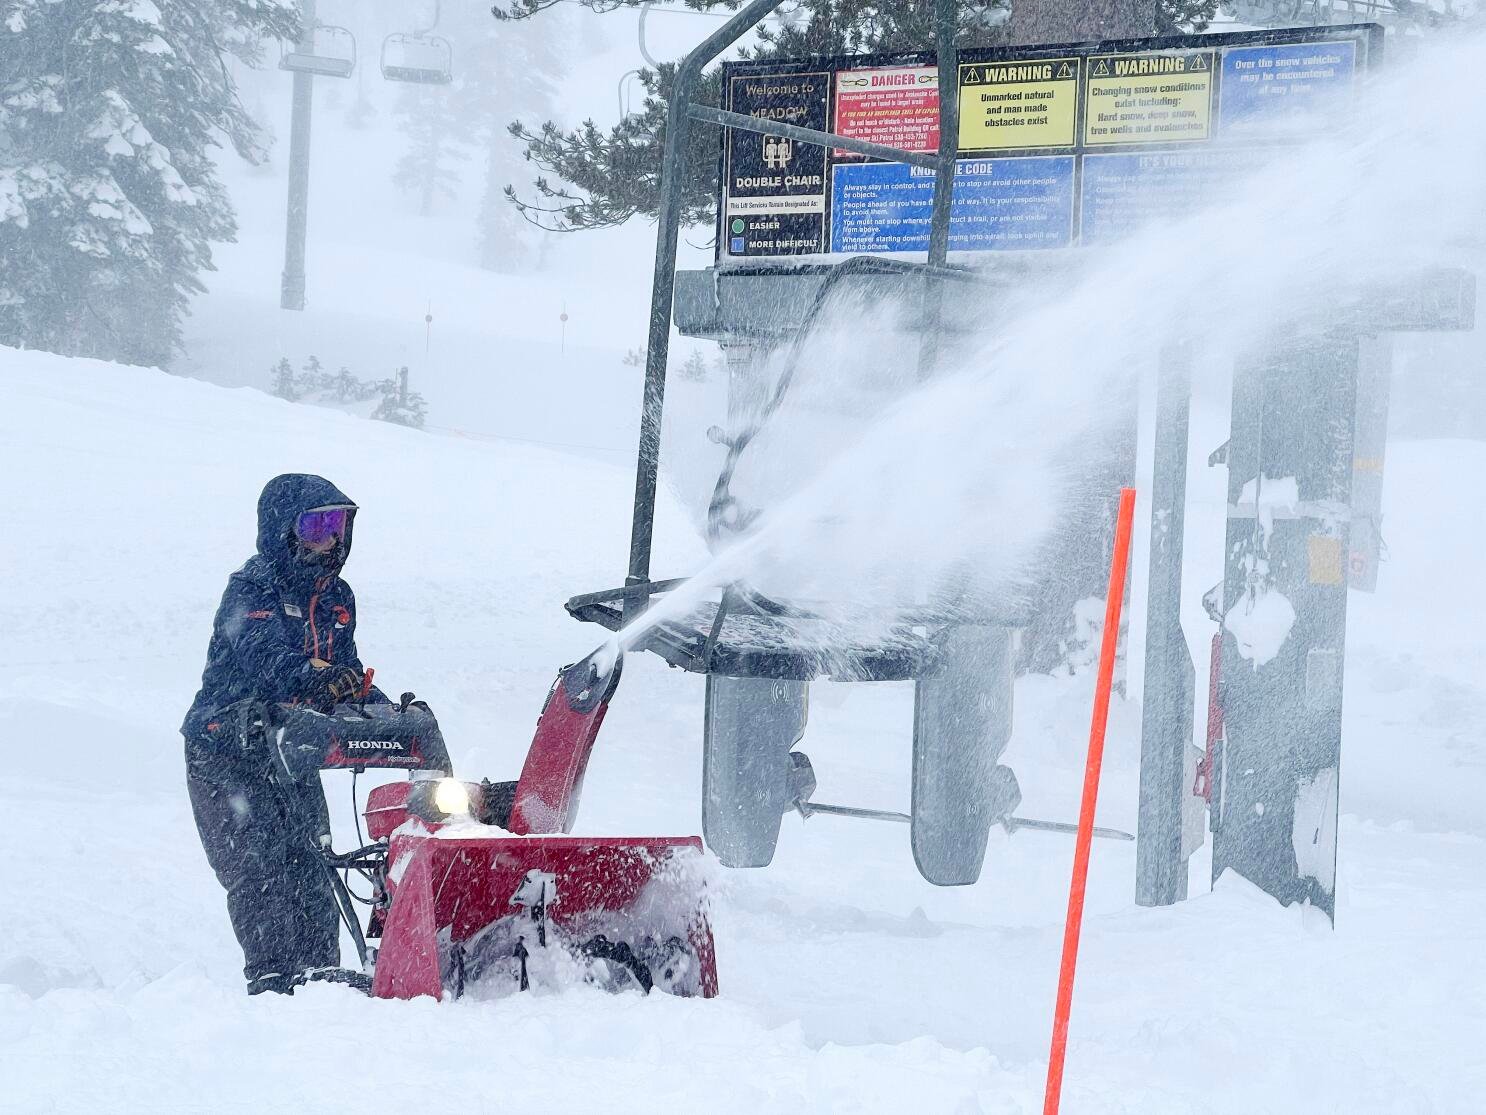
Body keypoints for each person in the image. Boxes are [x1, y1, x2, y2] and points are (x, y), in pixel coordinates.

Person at [182, 474, 384, 995]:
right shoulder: (251, 589)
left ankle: (324, 982)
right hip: (225, 749)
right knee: (260, 869)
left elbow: (346, 670)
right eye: (315, 524)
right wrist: (315, 676)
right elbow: (266, 659)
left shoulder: (338, 599)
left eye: (337, 524)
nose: (329, 538)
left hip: (289, 750)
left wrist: (377, 705)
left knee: (314, 863)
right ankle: (272, 983)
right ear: (283, 531)